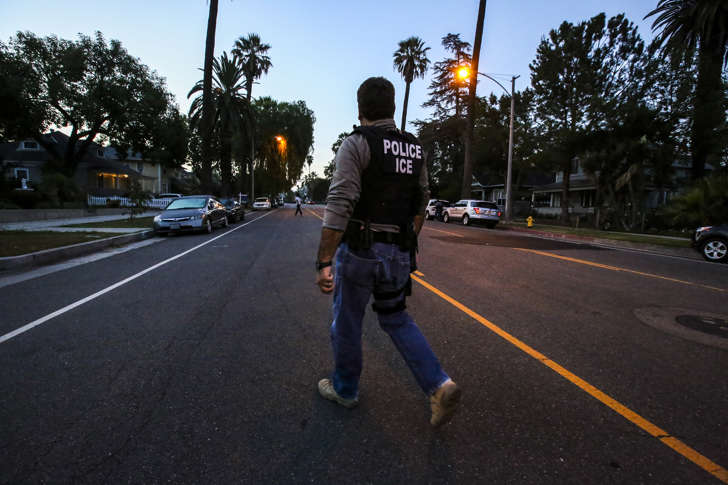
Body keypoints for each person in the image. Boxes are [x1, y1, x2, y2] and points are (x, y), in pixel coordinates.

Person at [314, 77, 460, 427]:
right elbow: (421, 202)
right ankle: (439, 384)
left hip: (361, 251)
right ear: (393, 108)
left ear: (360, 109)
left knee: (347, 320)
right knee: (395, 317)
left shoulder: (356, 143)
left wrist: (323, 261)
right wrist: (408, 244)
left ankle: (345, 389)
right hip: (397, 252)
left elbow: (340, 203)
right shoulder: (414, 149)